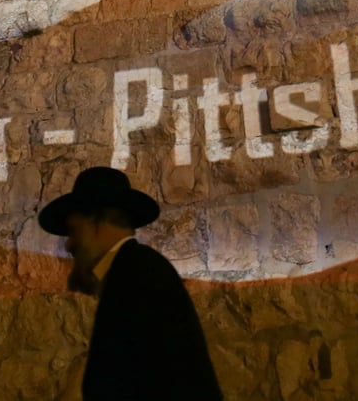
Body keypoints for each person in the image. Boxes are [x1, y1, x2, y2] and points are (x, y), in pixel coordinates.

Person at [39, 166, 224, 400]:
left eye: (74, 230)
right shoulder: (134, 269)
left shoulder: (138, 274)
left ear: (98, 221)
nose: (69, 245)